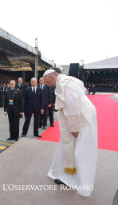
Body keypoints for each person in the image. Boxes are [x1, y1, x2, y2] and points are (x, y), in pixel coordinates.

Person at [43, 68, 98, 197]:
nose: (49, 85)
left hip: (80, 117)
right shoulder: (69, 79)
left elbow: (72, 106)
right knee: (68, 146)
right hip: (84, 114)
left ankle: (72, 179)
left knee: (78, 148)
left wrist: (74, 128)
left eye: (48, 82)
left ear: (52, 77)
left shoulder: (63, 84)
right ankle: (62, 173)